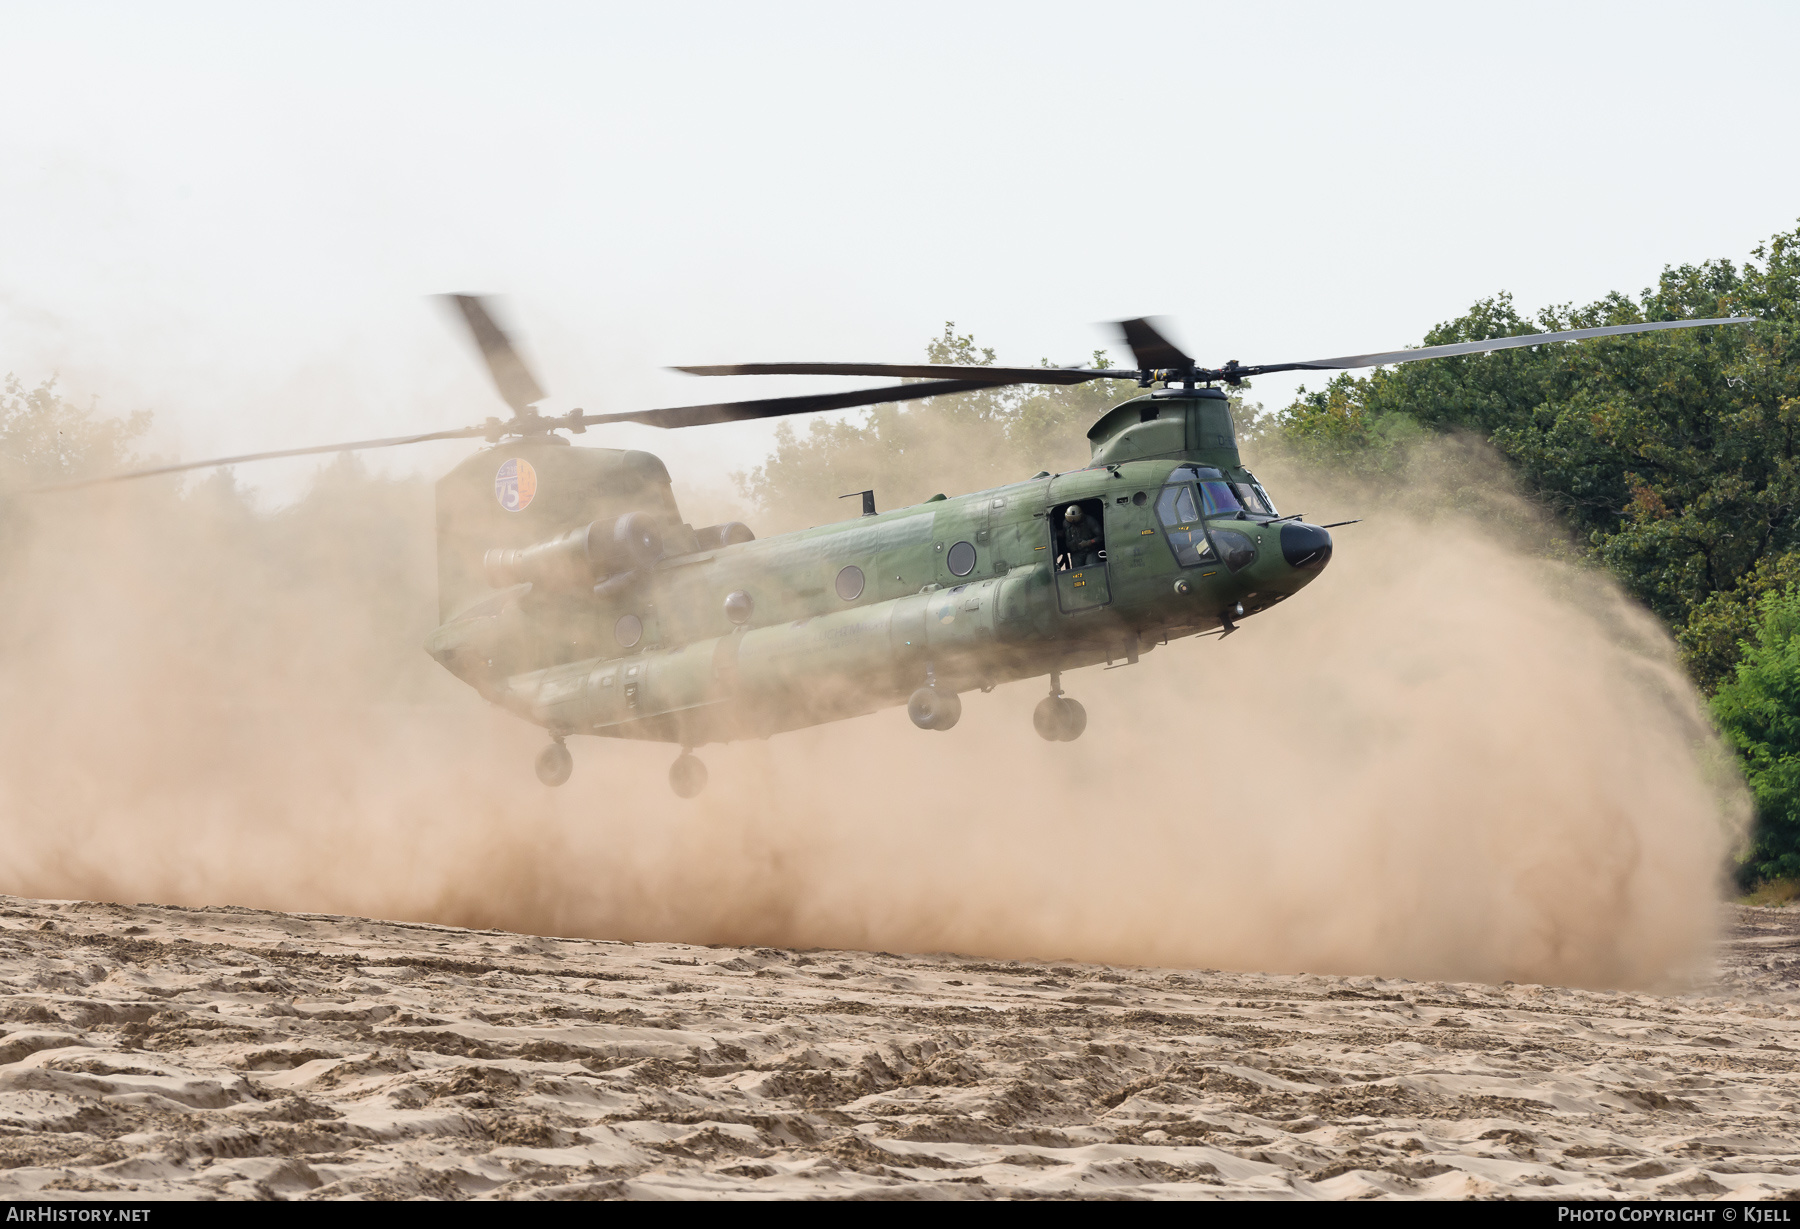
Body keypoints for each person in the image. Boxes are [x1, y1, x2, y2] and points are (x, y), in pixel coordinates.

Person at [1063, 504, 1101, 569]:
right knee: (1077, 572)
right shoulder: (1066, 523)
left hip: (1090, 551)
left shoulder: (1090, 521)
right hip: (1076, 553)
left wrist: (1089, 542)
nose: (1074, 524)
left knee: (1093, 569)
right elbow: (1065, 535)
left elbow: (1100, 536)